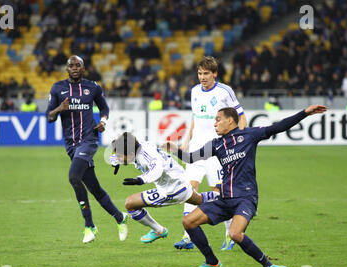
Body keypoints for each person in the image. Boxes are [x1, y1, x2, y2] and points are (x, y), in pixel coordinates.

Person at [163, 104, 327, 267]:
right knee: (188, 222)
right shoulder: (216, 144)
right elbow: (191, 158)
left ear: (231, 120)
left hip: (245, 199)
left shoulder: (249, 135)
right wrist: (175, 150)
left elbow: (279, 126)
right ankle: (212, 262)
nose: (215, 124)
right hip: (224, 198)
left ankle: (269, 265)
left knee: (235, 234)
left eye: (218, 120)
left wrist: (305, 113)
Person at [45, 55, 128, 244]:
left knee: (73, 177)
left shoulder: (93, 87)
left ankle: (89, 226)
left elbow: (104, 108)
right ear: (67, 69)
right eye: (71, 65)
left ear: (83, 68)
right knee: (94, 188)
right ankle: (119, 218)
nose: (74, 68)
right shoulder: (57, 88)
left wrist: (103, 122)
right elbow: (49, 117)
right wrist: (59, 108)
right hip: (71, 145)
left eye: (78, 65)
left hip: (89, 140)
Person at [174, 56, 247, 251]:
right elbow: (195, 117)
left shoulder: (225, 91)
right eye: (199, 73)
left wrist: (238, 141)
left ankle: (229, 235)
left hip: (218, 150)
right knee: (189, 189)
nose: (202, 77)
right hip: (196, 148)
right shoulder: (194, 91)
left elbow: (241, 116)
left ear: (215, 73)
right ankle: (188, 236)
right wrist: (187, 139)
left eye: (206, 73)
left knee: (220, 192)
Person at [109, 132, 219, 243]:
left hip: (171, 191)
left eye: (119, 156)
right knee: (199, 199)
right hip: (179, 178)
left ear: (132, 154)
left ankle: (158, 230)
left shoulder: (146, 158)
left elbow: (157, 169)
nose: (118, 158)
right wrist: (115, 161)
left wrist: (140, 179)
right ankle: (225, 197)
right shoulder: (138, 146)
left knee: (130, 204)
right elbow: (121, 154)